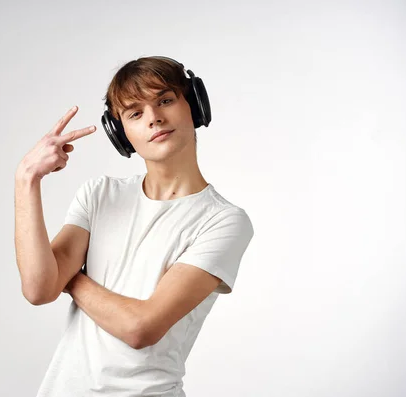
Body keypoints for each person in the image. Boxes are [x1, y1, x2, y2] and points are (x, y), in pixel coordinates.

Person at [14, 56, 255, 397]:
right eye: (135, 113)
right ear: (121, 133)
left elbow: (141, 328)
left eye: (165, 101)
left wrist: (70, 278)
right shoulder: (99, 195)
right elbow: (39, 289)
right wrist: (27, 179)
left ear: (195, 107)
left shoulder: (224, 220)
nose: (154, 118)